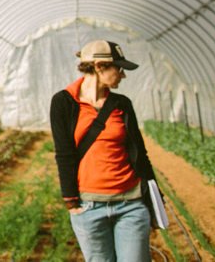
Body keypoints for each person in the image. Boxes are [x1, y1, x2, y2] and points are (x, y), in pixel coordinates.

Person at [50, 40, 156, 262]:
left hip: (131, 203)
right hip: (89, 207)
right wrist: (70, 200)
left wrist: (155, 200)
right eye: (119, 69)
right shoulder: (64, 102)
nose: (123, 75)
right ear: (99, 67)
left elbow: (139, 152)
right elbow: (64, 153)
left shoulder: (122, 103)